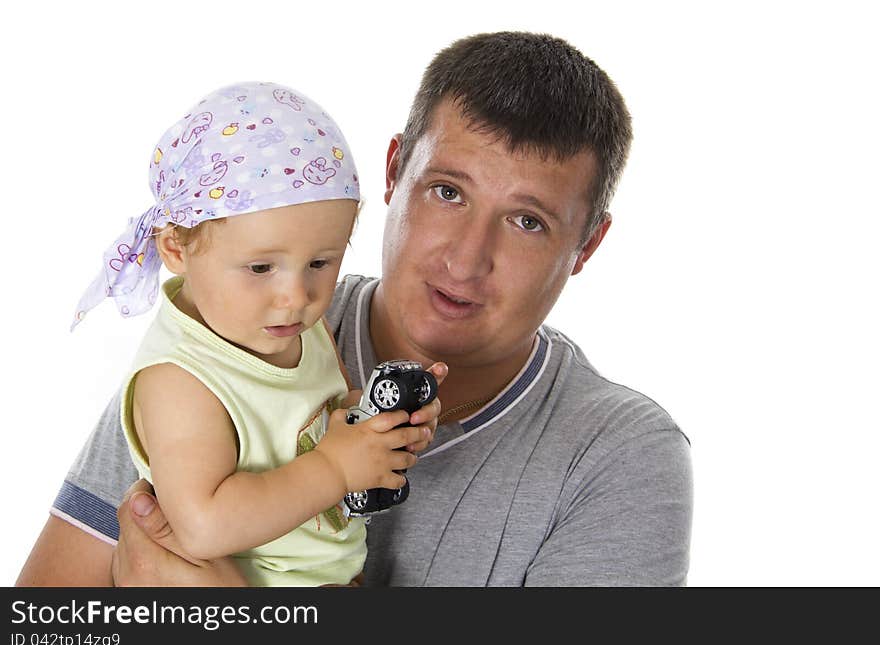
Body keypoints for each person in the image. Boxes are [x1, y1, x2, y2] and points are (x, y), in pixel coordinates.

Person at [18, 31, 693, 587]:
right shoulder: (233, 332)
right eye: (449, 192)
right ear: (395, 170)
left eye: (526, 221)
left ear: (587, 244)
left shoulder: (620, 459)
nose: (465, 259)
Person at [65, 81, 443, 586]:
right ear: (177, 247)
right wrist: (334, 470)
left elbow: (298, 424)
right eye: (261, 267)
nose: (296, 295)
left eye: (320, 262)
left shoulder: (294, 330)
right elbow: (202, 524)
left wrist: (374, 421)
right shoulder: (180, 382)